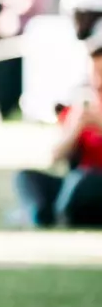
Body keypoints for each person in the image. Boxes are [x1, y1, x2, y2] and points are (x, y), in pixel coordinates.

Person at [13, 25, 102, 227]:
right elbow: (54, 157)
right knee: (26, 177)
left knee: (83, 182)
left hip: (92, 182)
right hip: (75, 181)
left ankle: (62, 211)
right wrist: (75, 128)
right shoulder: (80, 109)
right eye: (94, 74)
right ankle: (42, 212)